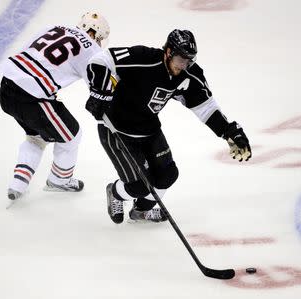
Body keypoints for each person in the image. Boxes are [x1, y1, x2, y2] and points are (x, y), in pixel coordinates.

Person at [85, 29, 252, 223]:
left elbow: (205, 107)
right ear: (168, 52)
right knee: (139, 186)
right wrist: (99, 93)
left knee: (167, 175)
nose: (184, 65)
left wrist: (229, 131)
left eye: (189, 60)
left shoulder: (188, 74)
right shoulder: (144, 58)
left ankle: (141, 211)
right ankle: (115, 192)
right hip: (115, 128)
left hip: (149, 129)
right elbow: (100, 60)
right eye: (181, 59)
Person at [0, 12, 110, 203]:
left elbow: (29, 54)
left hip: (6, 87)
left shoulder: (55, 27)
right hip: (32, 98)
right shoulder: (91, 48)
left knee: (36, 136)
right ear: (97, 34)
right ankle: (60, 179)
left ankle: (19, 182)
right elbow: (98, 84)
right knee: (72, 136)